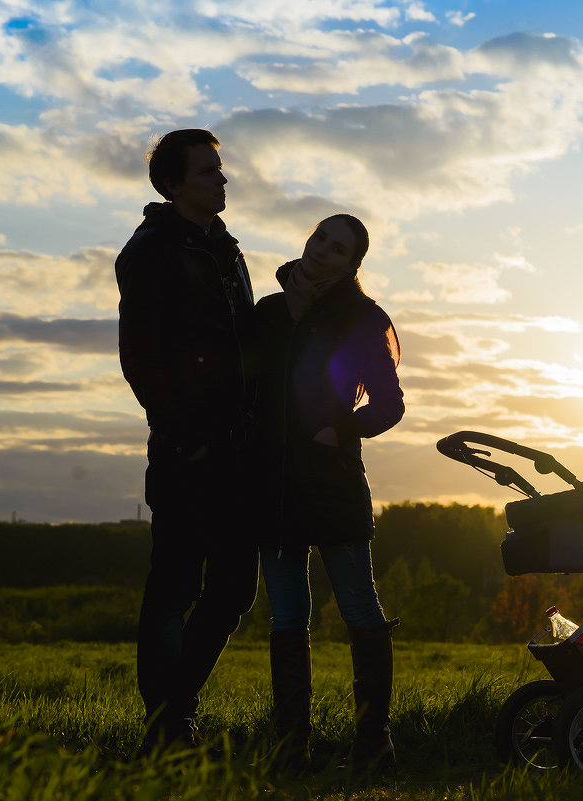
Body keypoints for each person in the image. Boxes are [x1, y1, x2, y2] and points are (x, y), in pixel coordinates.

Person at [115, 128, 259, 752]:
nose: (222, 180)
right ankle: (167, 727)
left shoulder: (227, 249)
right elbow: (141, 358)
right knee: (175, 586)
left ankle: (174, 717)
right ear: (174, 184)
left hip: (236, 447)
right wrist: (184, 434)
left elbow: (246, 343)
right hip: (186, 448)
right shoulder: (149, 251)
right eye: (207, 172)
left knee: (233, 588)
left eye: (220, 169)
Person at [254, 213, 404, 770]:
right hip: (271, 484)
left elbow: (389, 405)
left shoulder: (362, 319)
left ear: (352, 264)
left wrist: (337, 430)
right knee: (287, 617)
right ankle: (290, 746)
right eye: (319, 239)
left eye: (337, 249)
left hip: (333, 482)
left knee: (359, 608)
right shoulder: (267, 313)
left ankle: (373, 744)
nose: (321, 251)